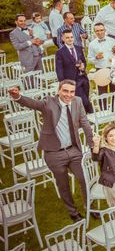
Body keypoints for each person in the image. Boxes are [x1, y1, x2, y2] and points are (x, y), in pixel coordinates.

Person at [8, 81, 95, 222]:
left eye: (72, 92)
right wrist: (18, 97)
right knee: (63, 184)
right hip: (54, 153)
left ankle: (89, 206)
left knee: (85, 178)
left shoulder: (77, 101)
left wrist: (92, 145)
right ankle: (73, 212)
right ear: (59, 90)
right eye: (65, 91)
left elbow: (84, 122)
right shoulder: (49, 103)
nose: (69, 95)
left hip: (73, 150)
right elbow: (33, 104)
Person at [55, 29, 92, 112]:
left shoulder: (78, 48)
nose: (70, 39)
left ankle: (84, 116)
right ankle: (89, 114)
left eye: (71, 37)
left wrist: (83, 66)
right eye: (67, 38)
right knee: (84, 101)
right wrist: (64, 84)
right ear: (63, 39)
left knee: (85, 97)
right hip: (72, 81)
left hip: (83, 78)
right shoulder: (60, 52)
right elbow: (59, 70)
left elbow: (84, 62)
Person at [87, 22, 115, 95]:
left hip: (112, 69)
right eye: (97, 31)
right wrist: (96, 58)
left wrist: (114, 59)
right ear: (94, 32)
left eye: (101, 30)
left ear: (105, 30)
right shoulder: (92, 44)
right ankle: (103, 106)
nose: (99, 32)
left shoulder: (112, 41)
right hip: (100, 70)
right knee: (102, 93)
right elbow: (89, 59)